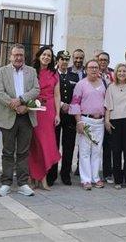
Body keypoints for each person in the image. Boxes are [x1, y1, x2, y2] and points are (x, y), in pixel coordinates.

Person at [0, 44, 40, 197]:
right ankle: (6, 183)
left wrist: (21, 101)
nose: (18, 57)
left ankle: (22, 183)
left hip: (26, 116)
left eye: (21, 55)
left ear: (24, 57)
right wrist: (14, 105)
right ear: (10, 56)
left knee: (23, 152)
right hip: (8, 116)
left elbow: (36, 90)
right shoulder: (1, 71)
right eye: (15, 55)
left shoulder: (31, 71)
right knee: (7, 151)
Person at [69, 60, 107, 189]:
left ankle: (95, 177)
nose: (94, 70)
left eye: (96, 67)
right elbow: (75, 104)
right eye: (91, 67)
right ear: (86, 69)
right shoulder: (81, 84)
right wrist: (78, 121)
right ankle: (86, 180)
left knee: (96, 151)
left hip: (99, 122)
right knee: (85, 151)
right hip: (85, 120)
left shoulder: (103, 83)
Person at [28, 46, 61, 190]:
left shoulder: (54, 73)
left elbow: (57, 95)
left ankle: (43, 178)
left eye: (49, 55)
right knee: (34, 145)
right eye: (44, 54)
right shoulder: (31, 72)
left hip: (48, 112)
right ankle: (33, 178)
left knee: (46, 145)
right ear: (39, 55)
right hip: (34, 109)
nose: (46, 57)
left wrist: (58, 114)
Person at [48, 50, 79, 185]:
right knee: (54, 145)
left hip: (70, 115)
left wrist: (70, 106)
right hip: (56, 114)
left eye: (67, 59)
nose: (65, 62)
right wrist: (61, 104)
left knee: (69, 145)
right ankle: (52, 174)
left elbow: (77, 95)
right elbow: (50, 93)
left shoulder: (74, 76)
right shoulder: (52, 74)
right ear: (57, 60)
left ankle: (65, 173)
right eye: (62, 59)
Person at [105, 63, 126, 189]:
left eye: (124, 71)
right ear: (115, 73)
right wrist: (107, 120)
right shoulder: (111, 87)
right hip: (115, 121)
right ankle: (118, 180)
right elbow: (108, 105)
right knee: (116, 151)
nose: (122, 73)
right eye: (119, 71)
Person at [97, 51, 114, 183]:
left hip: (110, 112)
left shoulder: (113, 74)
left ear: (108, 61)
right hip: (96, 112)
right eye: (100, 59)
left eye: (105, 60)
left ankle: (108, 172)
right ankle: (91, 171)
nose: (103, 62)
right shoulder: (91, 72)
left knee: (108, 145)